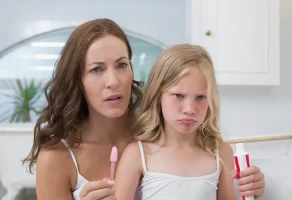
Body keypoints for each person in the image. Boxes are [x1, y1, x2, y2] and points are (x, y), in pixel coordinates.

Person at [22, 18, 265, 200]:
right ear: (77, 80)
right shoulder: (56, 160)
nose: (114, 81)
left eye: (121, 65)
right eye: (97, 69)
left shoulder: (163, 129)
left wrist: (252, 184)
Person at [115, 44, 263, 200]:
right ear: (158, 95)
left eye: (200, 97)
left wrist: (252, 190)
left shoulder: (221, 153)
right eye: (179, 96)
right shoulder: (137, 154)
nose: (190, 109)